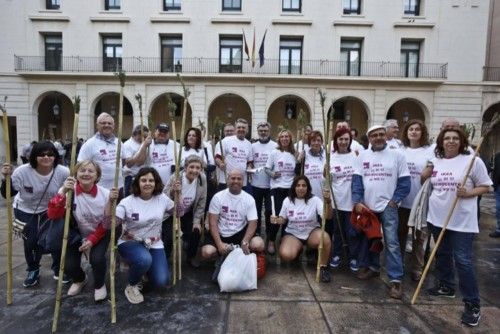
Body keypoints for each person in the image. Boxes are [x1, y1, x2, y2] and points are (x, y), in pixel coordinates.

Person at [422, 128, 491, 327]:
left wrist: (468, 193)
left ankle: (472, 304)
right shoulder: (437, 162)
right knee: (441, 253)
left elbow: (486, 186)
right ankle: (446, 286)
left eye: (455, 138)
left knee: (463, 261)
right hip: (437, 217)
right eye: (447, 138)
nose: (451, 141)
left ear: (461, 141)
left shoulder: (473, 160)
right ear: (441, 142)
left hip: (461, 221)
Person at [352, 125, 410, 299]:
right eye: (374, 135)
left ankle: (395, 280)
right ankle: (374, 268)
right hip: (368, 207)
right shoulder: (363, 156)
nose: (377, 137)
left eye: (381, 134)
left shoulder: (397, 155)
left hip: (388, 206)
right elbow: (357, 181)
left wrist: (395, 200)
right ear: (369, 138)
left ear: (386, 136)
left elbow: (405, 182)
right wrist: (358, 201)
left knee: (391, 242)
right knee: (372, 239)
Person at [47, 160, 119, 301]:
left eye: (91, 171)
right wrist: (62, 192)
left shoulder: (105, 194)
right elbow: (53, 215)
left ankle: (99, 284)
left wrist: (92, 240)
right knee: (67, 265)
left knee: (97, 259)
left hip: (100, 232)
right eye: (82, 170)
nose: (86, 173)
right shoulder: (69, 191)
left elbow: (106, 223)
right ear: (76, 174)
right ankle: (80, 279)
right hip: (76, 233)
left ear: (97, 175)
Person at [1, 141, 70, 287]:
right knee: (31, 241)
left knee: (55, 239)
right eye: (41, 154)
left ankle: (58, 269)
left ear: (55, 156)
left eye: (50, 154)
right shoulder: (22, 171)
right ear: (34, 156)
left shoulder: (63, 171)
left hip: (51, 209)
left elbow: (69, 191)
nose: (46, 157)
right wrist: (5, 178)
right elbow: (7, 194)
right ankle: (33, 269)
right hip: (25, 209)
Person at [116, 167, 175, 304]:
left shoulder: (162, 198)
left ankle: (144, 270)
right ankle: (132, 284)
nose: (147, 183)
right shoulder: (127, 202)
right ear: (137, 182)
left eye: (151, 180)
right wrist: (111, 203)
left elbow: (179, 213)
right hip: (130, 241)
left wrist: (177, 193)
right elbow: (110, 224)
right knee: (144, 259)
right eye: (143, 180)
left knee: (161, 281)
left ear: (156, 183)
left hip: (154, 242)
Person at [201, 169, 265, 279]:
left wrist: (245, 241)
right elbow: (212, 222)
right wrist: (219, 243)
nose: (235, 181)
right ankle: (221, 256)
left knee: (258, 244)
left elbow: (253, 222)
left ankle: (248, 257)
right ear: (227, 179)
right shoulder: (218, 197)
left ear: (243, 181)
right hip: (222, 233)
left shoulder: (249, 199)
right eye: (233, 178)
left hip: (240, 233)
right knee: (207, 252)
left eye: (239, 179)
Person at [272, 175, 333, 282]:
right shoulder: (288, 200)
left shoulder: (315, 200)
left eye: (304, 185)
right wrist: (276, 220)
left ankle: (323, 267)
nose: (301, 188)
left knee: (325, 238)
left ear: (308, 187)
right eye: (298, 185)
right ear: (294, 187)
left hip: (311, 233)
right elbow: (283, 219)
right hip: (293, 234)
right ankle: (298, 249)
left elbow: (328, 216)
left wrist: (328, 202)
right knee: (286, 255)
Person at [398, 119, 433, 281]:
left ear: (422, 132)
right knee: (400, 235)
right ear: (406, 132)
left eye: (417, 129)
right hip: (402, 201)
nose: (414, 132)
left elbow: (435, 166)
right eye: (411, 129)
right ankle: (398, 266)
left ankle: (417, 268)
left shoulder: (429, 151)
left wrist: (431, 168)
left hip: (420, 202)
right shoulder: (400, 150)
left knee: (419, 238)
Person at [164, 155, 207, 267]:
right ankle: (165, 258)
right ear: (186, 167)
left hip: (188, 212)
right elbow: (164, 196)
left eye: (198, 168)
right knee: (170, 235)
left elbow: (202, 203)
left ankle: (191, 257)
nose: (194, 170)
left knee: (196, 231)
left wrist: (197, 221)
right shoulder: (176, 177)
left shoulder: (202, 179)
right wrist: (173, 191)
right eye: (191, 167)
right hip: (173, 213)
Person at [329, 128, 362, 271]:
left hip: (352, 201)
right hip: (337, 200)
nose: (343, 142)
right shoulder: (331, 157)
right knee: (337, 231)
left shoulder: (355, 156)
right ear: (336, 141)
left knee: (352, 232)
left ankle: (353, 257)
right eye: (340, 139)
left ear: (350, 141)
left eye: (346, 139)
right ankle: (336, 255)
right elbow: (328, 180)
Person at [265, 129, 297, 255]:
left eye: (287, 137)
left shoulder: (294, 153)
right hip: (276, 188)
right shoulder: (274, 152)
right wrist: (272, 174)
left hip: (290, 189)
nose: (284, 139)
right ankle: (271, 240)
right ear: (279, 139)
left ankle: (284, 239)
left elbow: (298, 170)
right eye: (282, 136)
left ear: (290, 139)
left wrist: (299, 160)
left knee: (287, 216)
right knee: (276, 215)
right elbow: (267, 168)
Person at [77, 112, 124, 191]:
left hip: (118, 187)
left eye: (109, 123)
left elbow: (124, 161)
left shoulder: (119, 142)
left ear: (113, 126)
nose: (107, 125)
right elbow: (80, 166)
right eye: (103, 123)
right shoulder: (90, 144)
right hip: (99, 189)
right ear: (97, 125)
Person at [250, 122, 277, 236]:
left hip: (271, 185)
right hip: (256, 184)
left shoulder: (275, 145)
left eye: (265, 130)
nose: (263, 132)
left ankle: (270, 237)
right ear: (258, 131)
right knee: (255, 211)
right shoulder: (253, 146)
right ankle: (256, 234)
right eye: (261, 130)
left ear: (269, 131)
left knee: (270, 211)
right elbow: (250, 162)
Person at [214, 118, 253, 191]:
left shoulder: (249, 144)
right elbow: (217, 157)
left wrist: (249, 167)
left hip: (242, 181)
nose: (241, 129)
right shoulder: (226, 141)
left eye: (243, 127)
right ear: (235, 129)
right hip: (226, 180)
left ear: (247, 130)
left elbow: (249, 162)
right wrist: (220, 164)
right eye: (239, 127)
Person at [122, 125, 151, 196]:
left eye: (146, 137)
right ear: (134, 134)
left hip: (144, 176)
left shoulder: (145, 143)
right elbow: (130, 164)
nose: (144, 139)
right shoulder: (127, 145)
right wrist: (144, 146)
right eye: (142, 136)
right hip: (131, 178)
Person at [296, 130, 325, 199]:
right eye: (313, 140)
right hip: (308, 194)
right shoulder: (305, 154)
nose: (316, 143)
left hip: (323, 194)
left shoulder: (326, 155)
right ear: (309, 142)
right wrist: (299, 160)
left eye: (318, 140)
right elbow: (297, 173)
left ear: (321, 142)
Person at [490, 152, 500, 238]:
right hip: (498, 187)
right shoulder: (497, 156)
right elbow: (495, 170)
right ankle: (499, 229)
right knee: (498, 209)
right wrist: (494, 184)